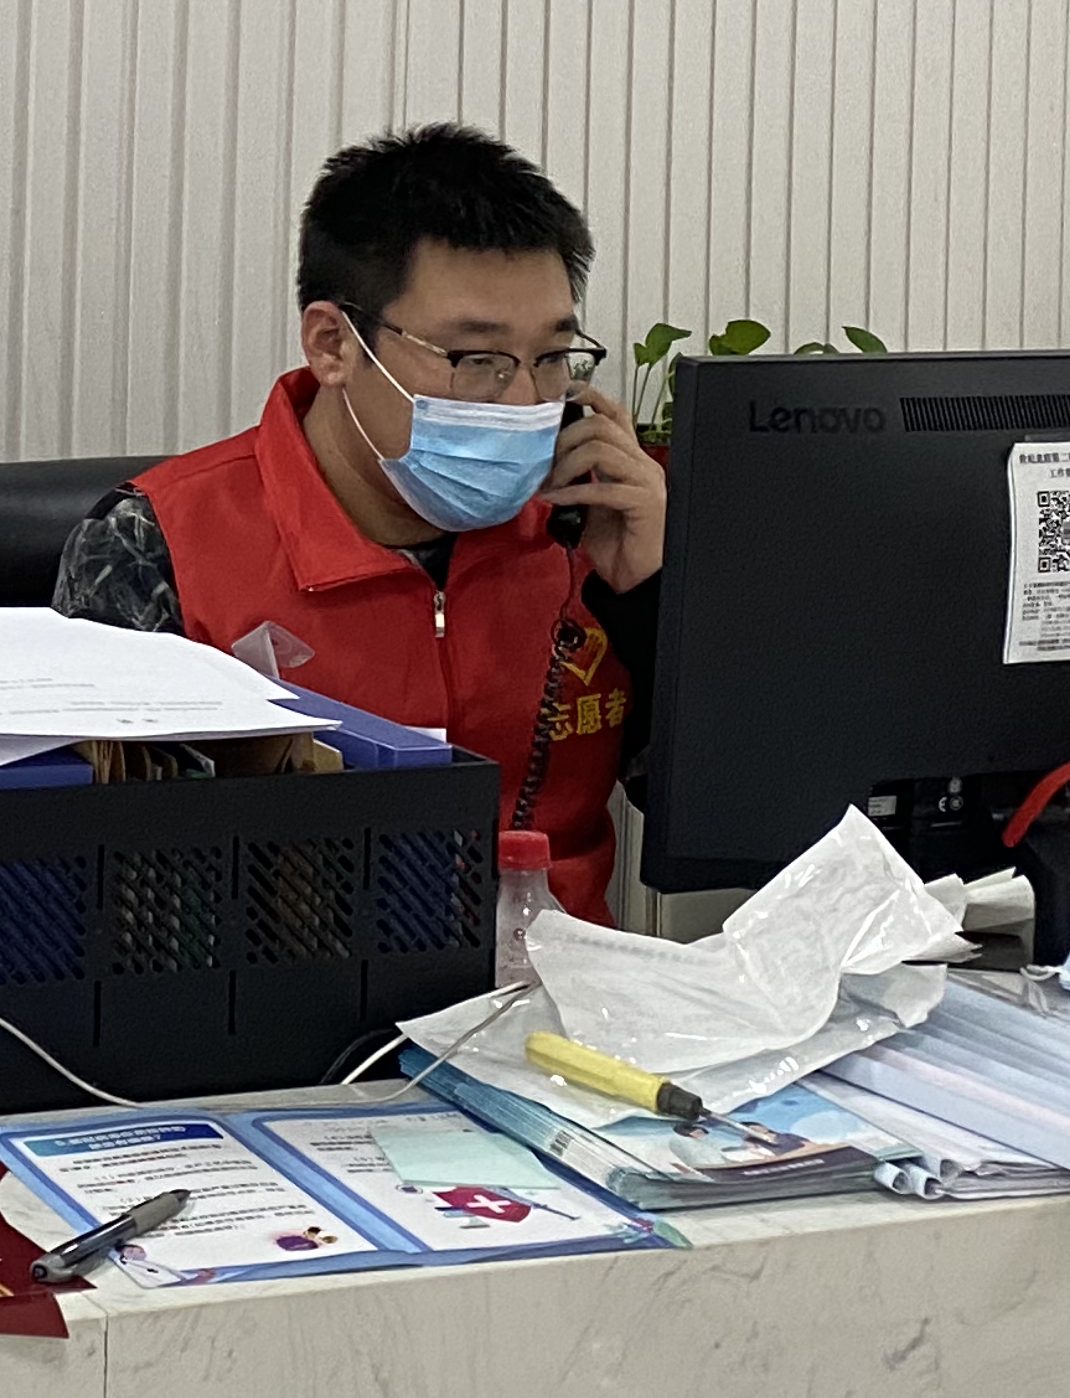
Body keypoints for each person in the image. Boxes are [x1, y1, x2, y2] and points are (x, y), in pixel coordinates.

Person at [50, 124, 664, 922]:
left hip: (571, 992)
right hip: (284, 989)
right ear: (333, 344)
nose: (523, 402)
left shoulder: (595, 525)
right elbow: (103, 889)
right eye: (476, 359)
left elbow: (734, 835)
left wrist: (655, 599)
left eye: (551, 359)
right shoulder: (155, 546)